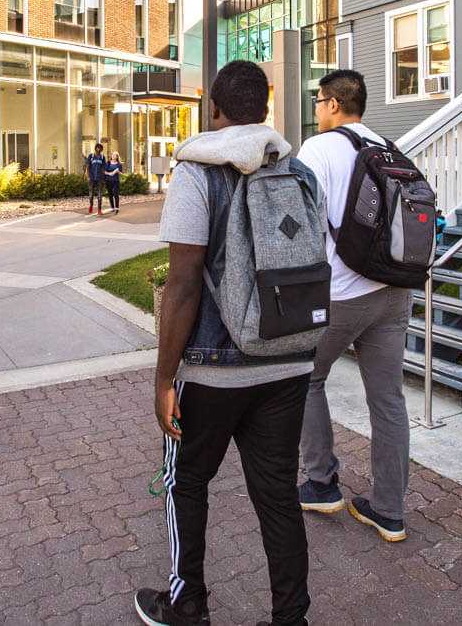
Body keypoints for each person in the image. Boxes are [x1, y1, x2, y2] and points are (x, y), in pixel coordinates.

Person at [134, 61, 312, 626]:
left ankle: (187, 605)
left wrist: (165, 377)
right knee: (278, 493)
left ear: (214, 109)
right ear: (266, 107)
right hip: (288, 359)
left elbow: (184, 282)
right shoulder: (298, 171)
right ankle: (291, 617)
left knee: (186, 481)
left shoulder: (196, 173)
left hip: (212, 370)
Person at [296, 69, 412, 543]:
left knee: (306, 378)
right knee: (388, 401)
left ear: (334, 104)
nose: (316, 110)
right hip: (393, 290)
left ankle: (321, 483)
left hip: (341, 293)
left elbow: (298, 221)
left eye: (318, 101)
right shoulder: (387, 146)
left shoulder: (317, 149)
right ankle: (389, 510)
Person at [84, 143, 106, 215]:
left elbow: (103, 168)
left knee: (100, 194)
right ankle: (91, 205)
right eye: (97, 147)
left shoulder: (103, 157)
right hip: (92, 178)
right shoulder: (91, 156)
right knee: (91, 194)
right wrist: (87, 176)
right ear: (95, 148)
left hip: (100, 179)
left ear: (101, 149)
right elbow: (87, 167)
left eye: (100, 148)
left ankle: (99, 210)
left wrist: (104, 178)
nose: (98, 149)